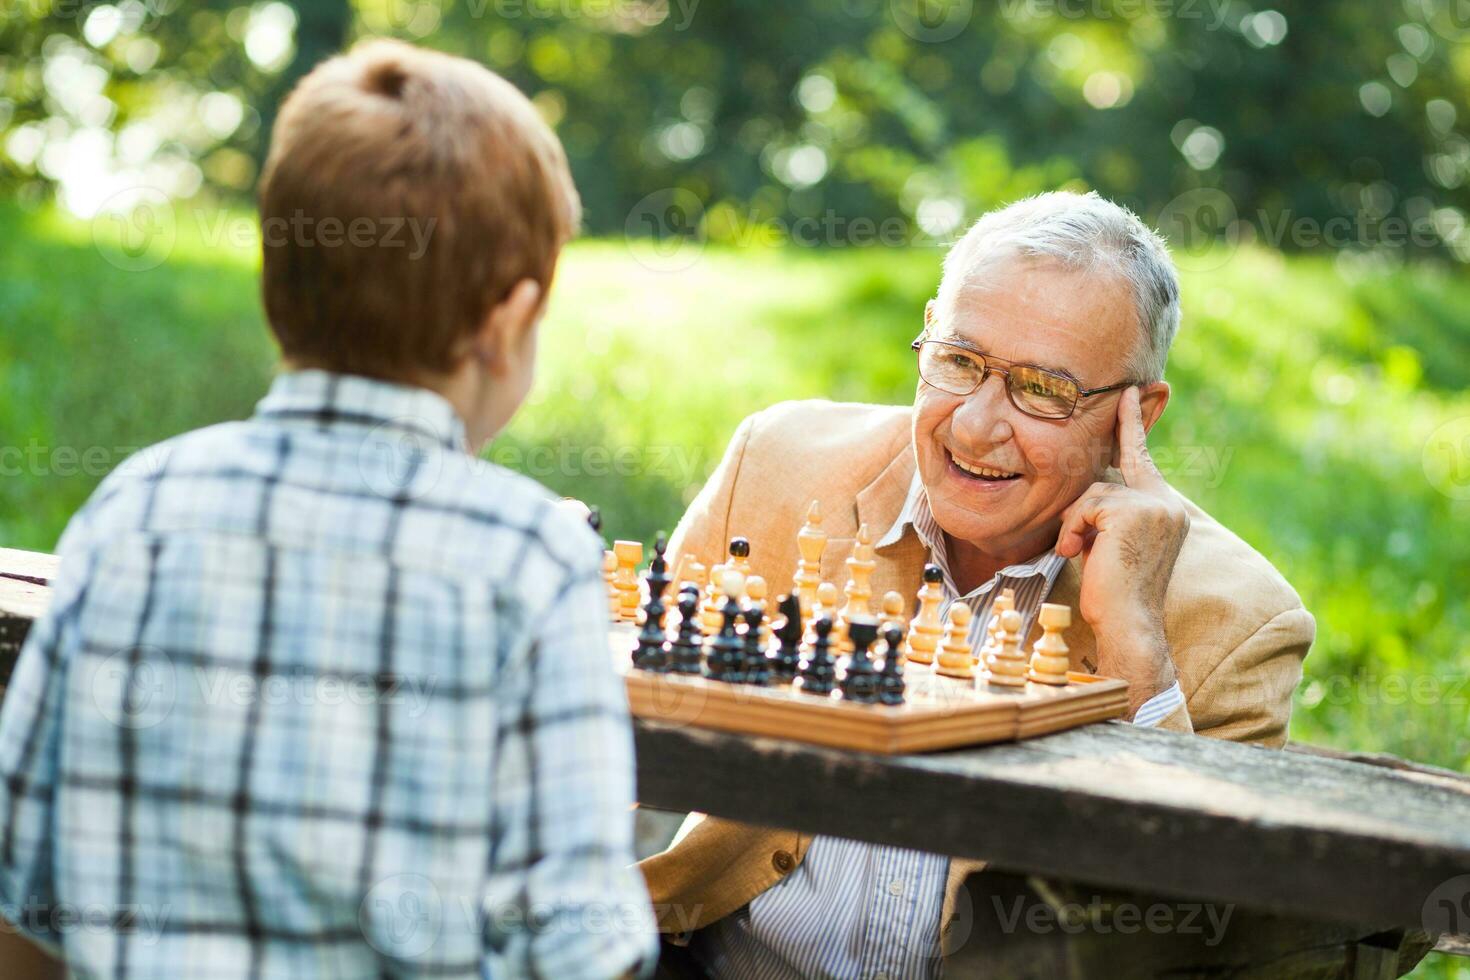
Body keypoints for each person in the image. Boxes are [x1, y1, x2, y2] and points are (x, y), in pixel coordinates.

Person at [0, 39, 655, 979]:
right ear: (507, 326)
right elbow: (588, 950)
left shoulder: (129, 514)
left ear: (278, 284)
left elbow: (27, 900)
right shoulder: (530, 559)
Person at [640, 191, 1315, 978]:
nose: (973, 426)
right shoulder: (778, 465)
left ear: (1139, 413)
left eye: (1042, 389)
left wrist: (1133, 634)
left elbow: (1197, 929)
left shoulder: (1243, 623)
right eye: (959, 361)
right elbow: (606, 725)